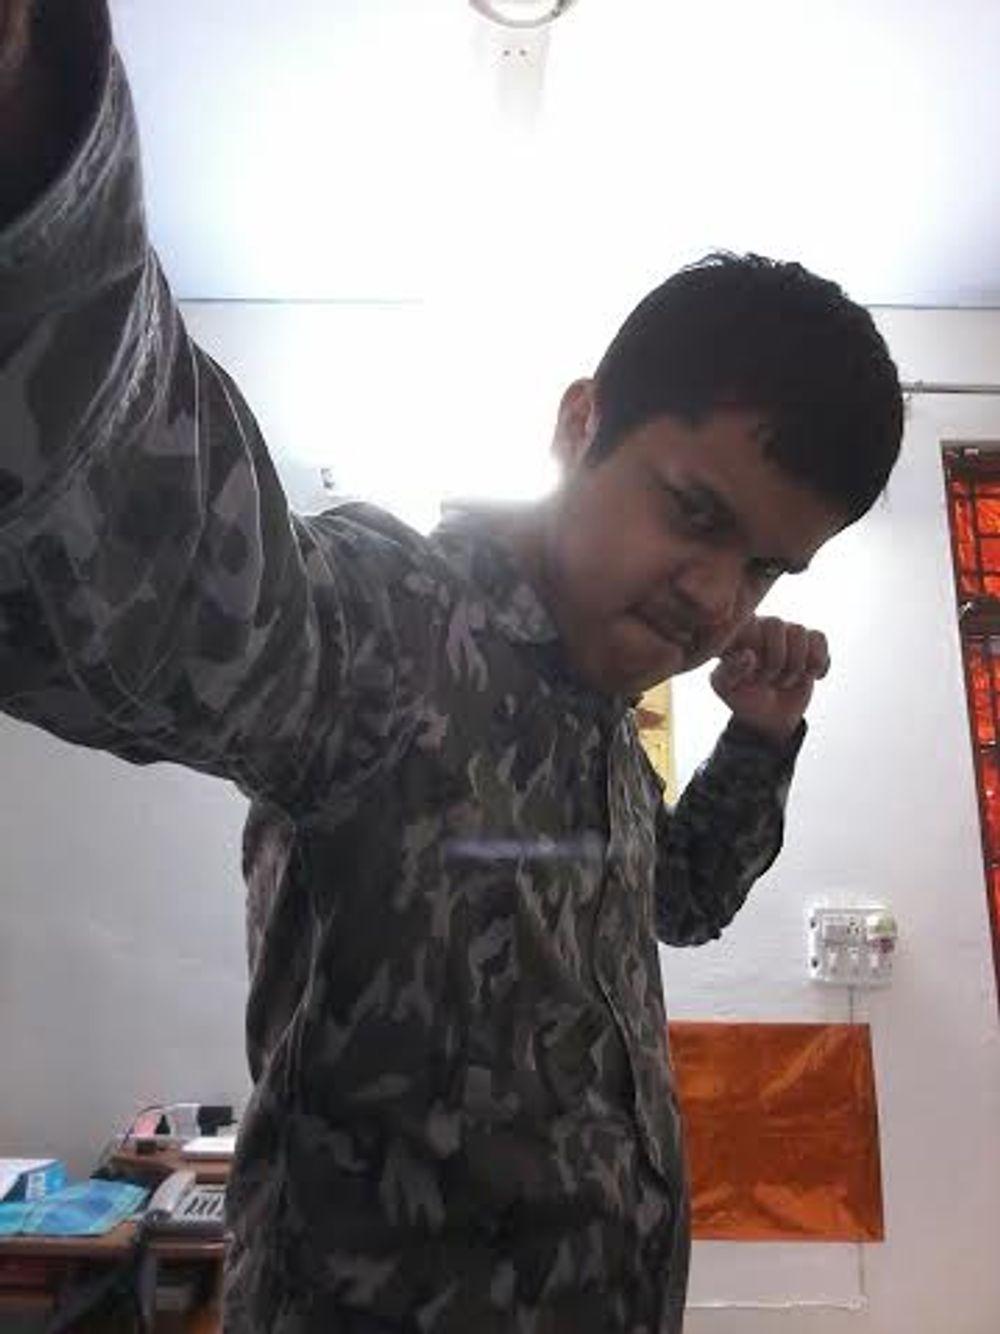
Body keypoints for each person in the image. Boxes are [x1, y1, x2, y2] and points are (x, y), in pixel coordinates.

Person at [0, 2, 903, 1331]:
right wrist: (37, 153)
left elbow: (681, 901)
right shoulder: (396, 625)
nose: (718, 598)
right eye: (696, 513)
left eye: (767, 569)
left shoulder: (605, 719)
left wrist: (761, 739)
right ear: (581, 424)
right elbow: (164, 580)